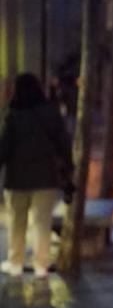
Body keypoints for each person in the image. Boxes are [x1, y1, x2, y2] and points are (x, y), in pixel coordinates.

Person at [0, 73, 73, 278]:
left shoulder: (13, 114)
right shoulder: (51, 112)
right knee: (42, 222)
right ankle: (41, 265)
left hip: (17, 179)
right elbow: (63, 142)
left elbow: (4, 147)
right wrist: (68, 166)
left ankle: (16, 262)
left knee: (17, 221)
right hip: (46, 177)